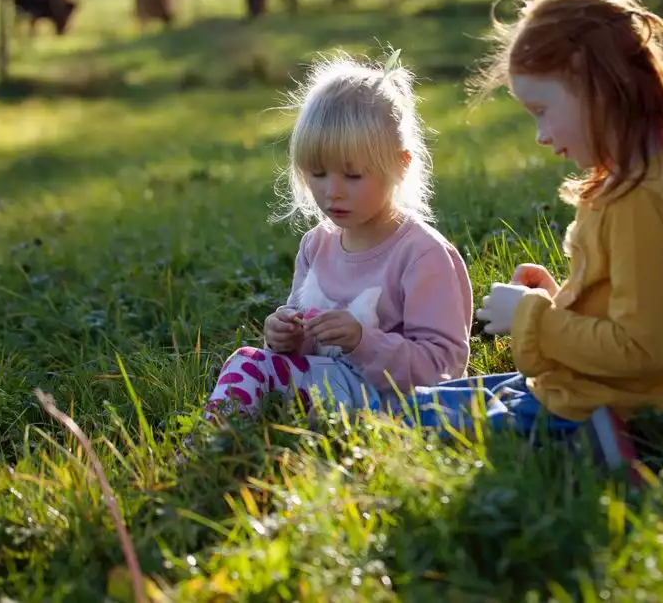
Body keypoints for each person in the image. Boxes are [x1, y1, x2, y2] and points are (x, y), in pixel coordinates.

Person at [387, 0, 663, 482]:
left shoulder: (640, 201)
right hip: (586, 386)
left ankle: (602, 444)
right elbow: (625, 308)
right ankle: (591, 437)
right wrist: (560, 296)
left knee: (401, 420)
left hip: (608, 401)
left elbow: (636, 347)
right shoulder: (637, 181)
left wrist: (532, 316)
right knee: (417, 403)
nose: (541, 135)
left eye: (543, 111)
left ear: (595, 85)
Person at [199, 51, 474, 423]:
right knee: (251, 361)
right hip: (327, 391)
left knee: (259, 374)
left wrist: (363, 340)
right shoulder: (317, 245)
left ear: (400, 164)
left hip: (392, 407)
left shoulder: (422, 255)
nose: (333, 192)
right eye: (317, 173)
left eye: (353, 176)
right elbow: (307, 345)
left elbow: (444, 369)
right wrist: (287, 337)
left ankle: (220, 448)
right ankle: (214, 448)